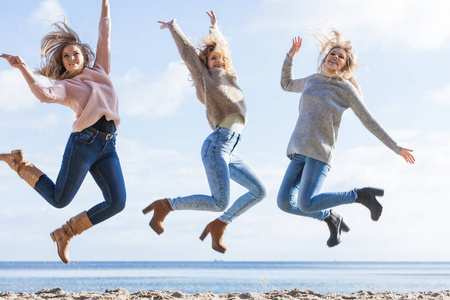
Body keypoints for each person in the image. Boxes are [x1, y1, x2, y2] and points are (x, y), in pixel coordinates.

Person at [0, 0, 126, 264]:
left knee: (117, 202)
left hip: (109, 146)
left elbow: (105, 35)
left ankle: (66, 233)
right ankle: (19, 164)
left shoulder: (100, 70)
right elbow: (45, 95)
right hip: (84, 143)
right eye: (66, 56)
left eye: (75, 54)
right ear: (63, 62)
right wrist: (23, 67)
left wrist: (105, 5)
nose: (70, 59)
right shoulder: (67, 86)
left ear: (85, 56)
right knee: (59, 200)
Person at [143, 11, 267, 254]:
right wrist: (173, 28)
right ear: (206, 63)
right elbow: (190, 54)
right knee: (219, 200)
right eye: (212, 59)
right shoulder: (206, 78)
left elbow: (221, 48)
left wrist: (215, 28)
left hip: (231, 148)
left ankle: (219, 224)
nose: (217, 61)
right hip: (217, 144)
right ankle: (166, 205)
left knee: (259, 191)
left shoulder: (231, 77)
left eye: (220, 58)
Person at [277, 31, 415, 247]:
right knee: (284, 203)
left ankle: (360, 195)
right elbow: (286, 84)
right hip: (298, 150)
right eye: (332, 53)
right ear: (325, 58)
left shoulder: (346, 89)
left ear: (345, 65)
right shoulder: (312, 80)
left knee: (305, 203)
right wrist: (290, 57)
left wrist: (396, 148)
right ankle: (330, 217)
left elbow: (369, 121)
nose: (335, 57)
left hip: (320, 154)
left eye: (340, 57)